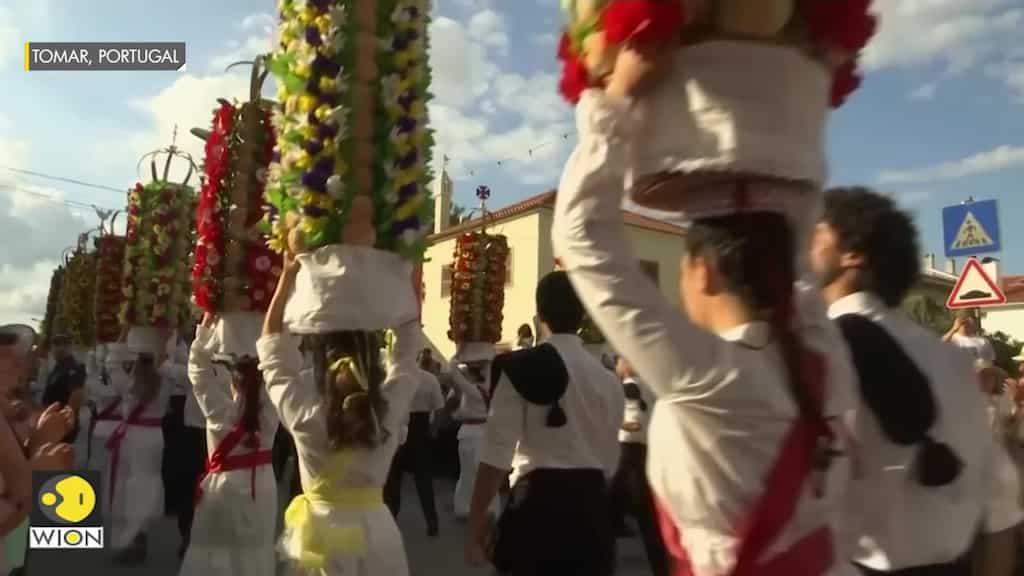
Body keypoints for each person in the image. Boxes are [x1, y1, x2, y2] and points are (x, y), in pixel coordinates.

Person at [552, 116, 858, 576]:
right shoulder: (826, 354)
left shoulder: (707, 374)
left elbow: (580, 239)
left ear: (704, 271)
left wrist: (609, 113)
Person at [810, 187, 991, 574]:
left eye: (816, 234)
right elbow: (999, 499)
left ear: (853, 255)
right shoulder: (953, 359)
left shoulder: (823, 351)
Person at [258, 253, 422, 575]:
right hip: (378, 535)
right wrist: (407, 284)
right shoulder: (386, 408)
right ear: (374, 359)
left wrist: (287, 277)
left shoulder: (305, 414)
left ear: (319, 359)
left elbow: (273, 353)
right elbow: (406, 355)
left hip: (320, 536)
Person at [465, 271, 625, 575]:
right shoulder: (609, 382)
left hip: (536, 509)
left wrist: (474, 526)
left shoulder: (518, 368)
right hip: (592, 513)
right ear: (582, 316)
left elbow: (496, 455)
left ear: (540, 315)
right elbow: (610, 461)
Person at [179, 313, 278, 576]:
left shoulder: (218, 410)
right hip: (262, 487)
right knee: (255, 554)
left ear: (232, 380)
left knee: (214, 554)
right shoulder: (270, 412)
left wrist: (208, 320)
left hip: (223, 488)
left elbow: (197, 368)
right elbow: (282, 369)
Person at [104, 338, 173, 564]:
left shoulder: (128, 384)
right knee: (147, 483)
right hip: (154, 436)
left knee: (129, 485)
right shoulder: (165, 381)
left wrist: (121, 338)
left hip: (133, 436)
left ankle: (130, 539)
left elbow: (112, 365)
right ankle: (140, 534)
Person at [608, 355, 668, 576]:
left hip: (628, 452)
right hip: (640, 452)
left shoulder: (630, 387)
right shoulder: (647, 386)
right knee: (636, 511)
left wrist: (613, 422)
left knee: (643, 513)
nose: (617, 366)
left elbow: (633, 423)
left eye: (620, 361)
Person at [382, 350, 444, 536]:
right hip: (420, 428)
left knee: (394, 479)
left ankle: (391, 520)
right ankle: (431, 521)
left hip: (399, 426)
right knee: (423, 479)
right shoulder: (429, 379)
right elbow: (439, 407)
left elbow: (383, 407)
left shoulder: (391, 379)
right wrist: (433, 431)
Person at [448, 346, 501, 521]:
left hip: (477, 433)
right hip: (470, 432)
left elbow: (453, 372)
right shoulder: (480, 389)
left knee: (477, 473)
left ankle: (487, 508)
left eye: (469, 372)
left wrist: (458, 354)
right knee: (468, 473)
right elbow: (461, 413)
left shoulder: (475, 390)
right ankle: (466, 507)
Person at [41, 334, 85, 443]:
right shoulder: (59, 367)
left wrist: (67, 421)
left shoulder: (73, 368)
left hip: (61, 423)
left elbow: (77, 394)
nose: (57, 349)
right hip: (52, 420)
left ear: (69, 347)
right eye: (55, 345)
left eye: (63, 344)